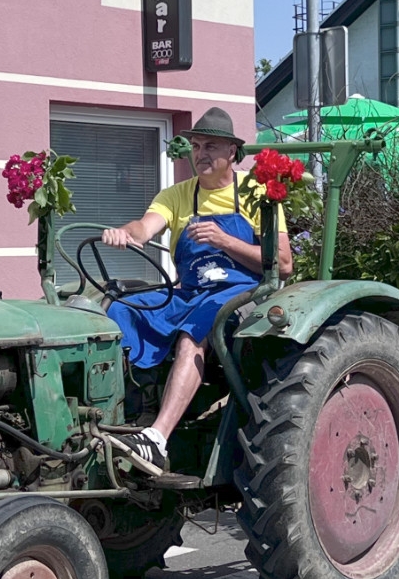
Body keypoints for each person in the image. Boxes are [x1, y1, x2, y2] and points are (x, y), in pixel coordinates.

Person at [100, 108, 292, 478]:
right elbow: (144, 228)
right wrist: (122, 233)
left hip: (240, 292)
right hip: (190, 290)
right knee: (120, 311)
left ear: (232, 153)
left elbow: (282, 264)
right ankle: (118, 419)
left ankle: (156, 438)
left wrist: (225, 240)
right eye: (196, 145)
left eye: (211, 146)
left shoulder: (257, 194)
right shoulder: (177, 196)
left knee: (195, 332)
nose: (200, 153)